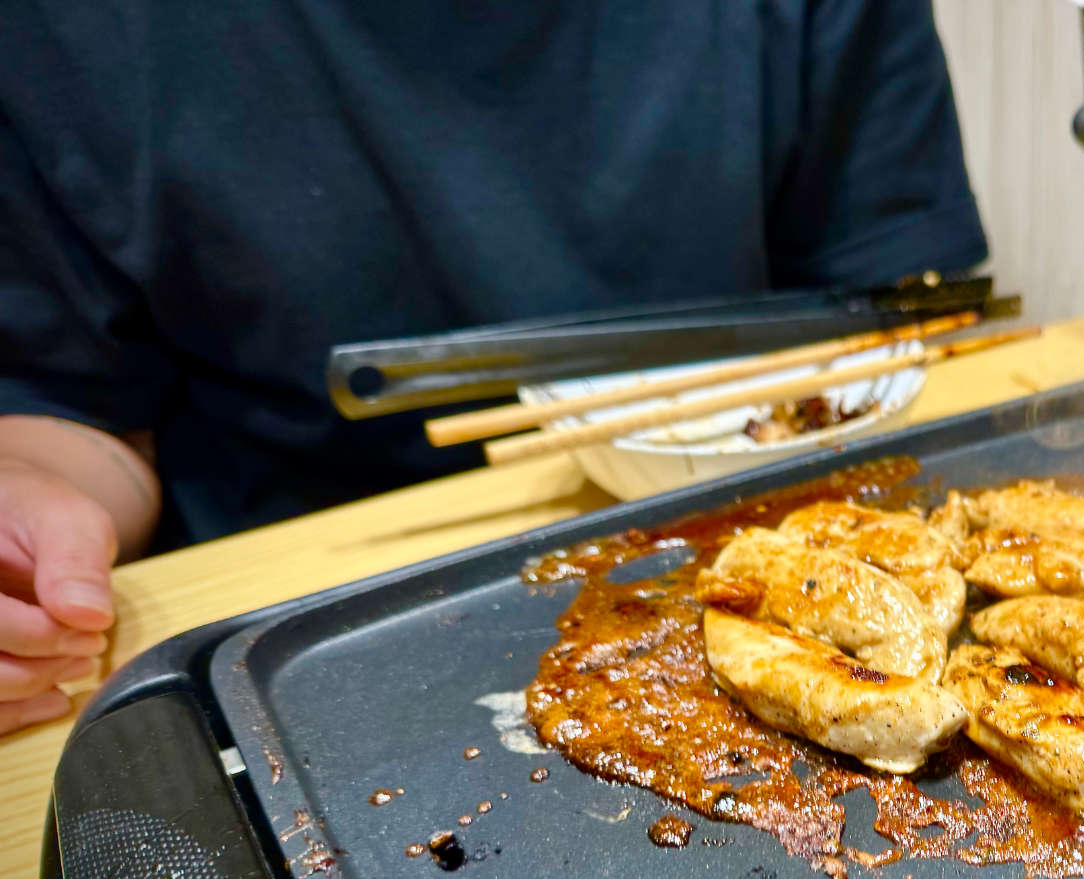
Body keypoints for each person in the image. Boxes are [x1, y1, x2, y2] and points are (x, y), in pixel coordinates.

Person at [0, 1, 988, 731]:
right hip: (283, 648)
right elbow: (72, 406)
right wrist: (33, 505)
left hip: (745, 532)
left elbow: (889, 323)